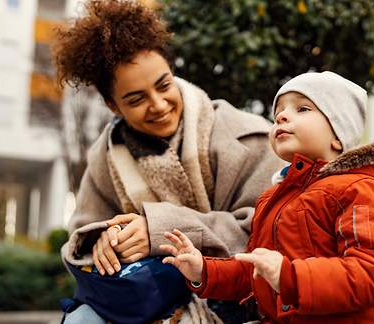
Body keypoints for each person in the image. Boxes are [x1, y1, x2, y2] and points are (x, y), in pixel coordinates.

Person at [53, 1, 285, 323]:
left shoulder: (249, 138)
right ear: (112, 105)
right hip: (145, 300)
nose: (159, 105)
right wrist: (107, 241)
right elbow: (83, 235)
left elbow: (265, 233)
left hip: (239, 302)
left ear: (173, 73)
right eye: (136, 100)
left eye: (164, 85)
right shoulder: (104, 157)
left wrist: (158, 231)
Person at [161, 71, 374, 323]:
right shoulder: (275, 198)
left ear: (338, 135)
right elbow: (254, 271)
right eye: (279, 111)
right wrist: (204, 270)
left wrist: (289, 277)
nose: (281, 116)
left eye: (302, 108)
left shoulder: (359, 188)